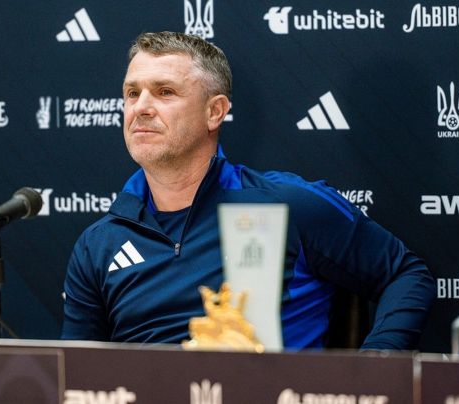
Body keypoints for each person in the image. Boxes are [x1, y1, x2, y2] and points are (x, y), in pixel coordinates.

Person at [61, 31, 435, 350]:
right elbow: (79, 376)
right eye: (132, 93)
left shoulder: (286, 205)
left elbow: (405, 273)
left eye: (165, 92)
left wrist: (375, 368)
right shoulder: (99, 244)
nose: (140, 107)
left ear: (215, 112)